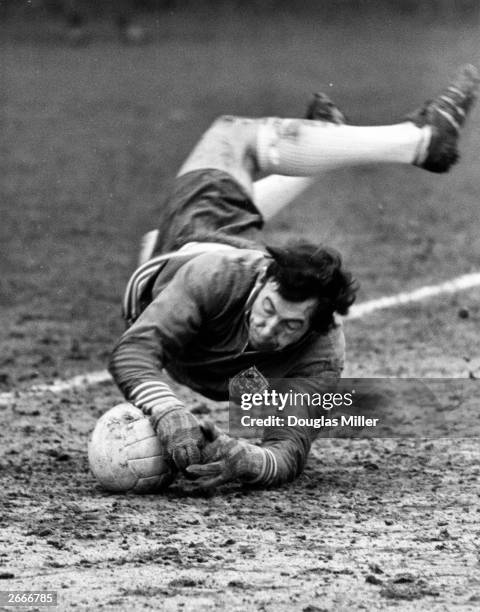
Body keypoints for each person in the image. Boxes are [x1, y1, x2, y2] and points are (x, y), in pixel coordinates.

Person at [108, 64, 478, 489]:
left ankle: (345, 145)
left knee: (234, 141)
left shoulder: (321, 354)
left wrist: (249, 459)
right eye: (268, 309)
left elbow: (289, 449)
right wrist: (168, 411)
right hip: (196, 244)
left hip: (225, 282)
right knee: (230, 139)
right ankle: (408, 141)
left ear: (315, 328)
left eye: (290, 326)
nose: (269, 329)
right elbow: (132, 353)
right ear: (264, 278)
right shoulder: (216, 276)